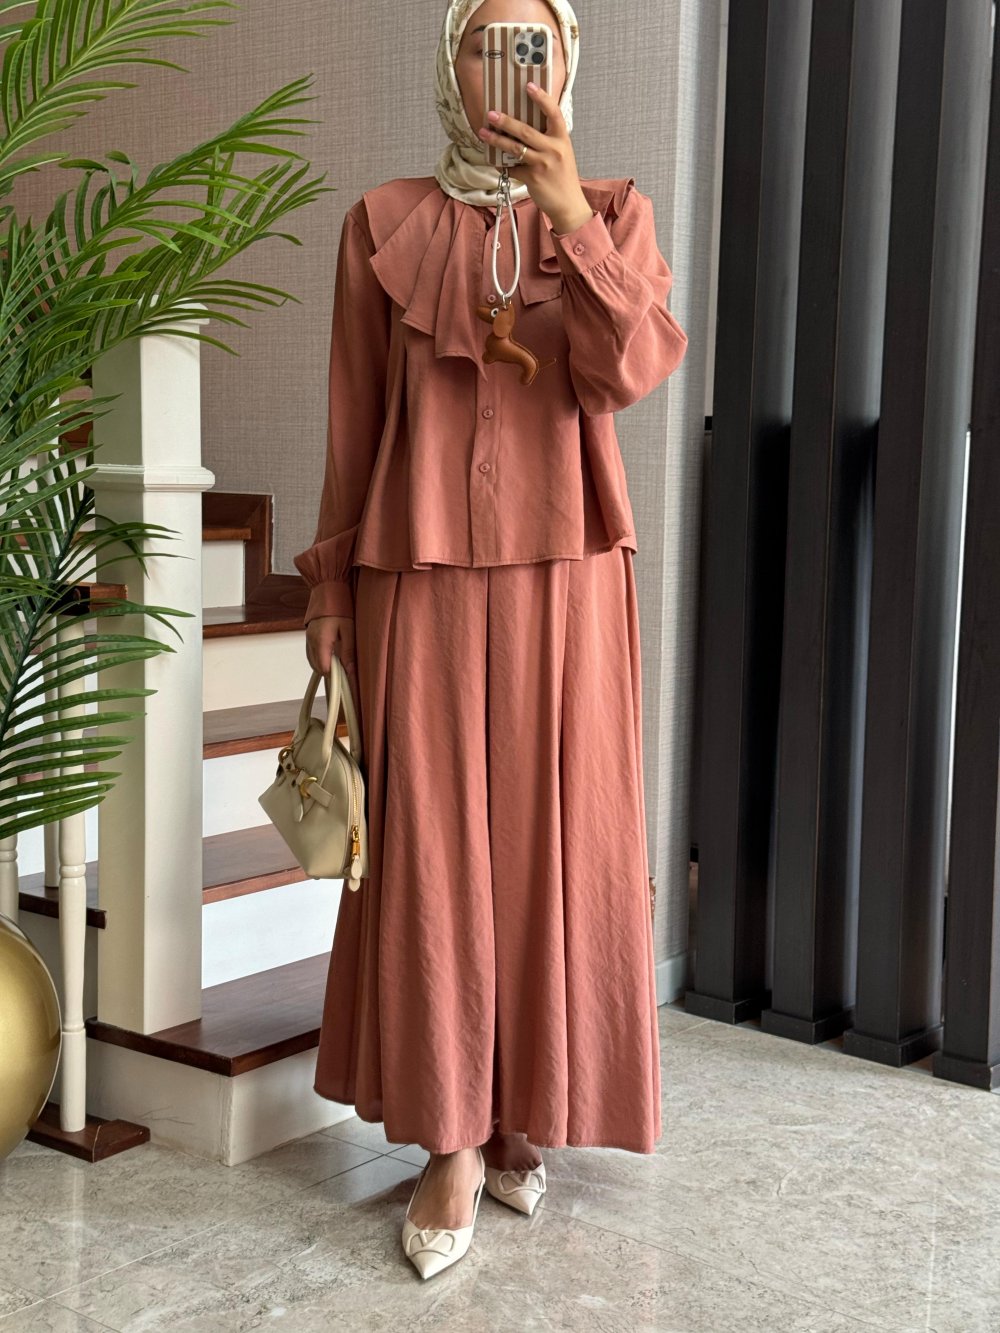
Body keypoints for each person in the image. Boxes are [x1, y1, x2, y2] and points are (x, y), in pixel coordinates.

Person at [293, 0, 688, 1280]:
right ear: (448, 62)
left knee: (554, 846)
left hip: (569, 580)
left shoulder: (614, 214)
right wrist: (328, 593)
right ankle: (452, 1136)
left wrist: (569, 215)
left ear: (567, 64)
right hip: (415, 575)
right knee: (433, 851)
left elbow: (630, 371)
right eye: (483, 41)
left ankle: (526, 1111)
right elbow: (354, 421)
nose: (506, 67)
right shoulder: (382, 223)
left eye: (532, 44)